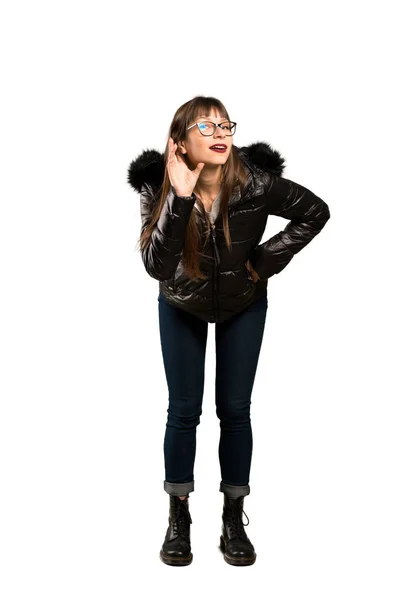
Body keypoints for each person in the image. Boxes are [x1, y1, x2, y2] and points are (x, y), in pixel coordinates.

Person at [127, 96, 331, 567]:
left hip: (243, 304)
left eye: (225, 124)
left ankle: (233, 518)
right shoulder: (158, 186)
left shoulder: (256, 183)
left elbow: (315, 211)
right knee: (183, 410)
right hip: (181, 304)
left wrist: (263, 262)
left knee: (235, 410)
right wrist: (178, 196)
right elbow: (157, 266)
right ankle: (178, 517)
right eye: (206, 126)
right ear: (179, 143)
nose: (220, 133)